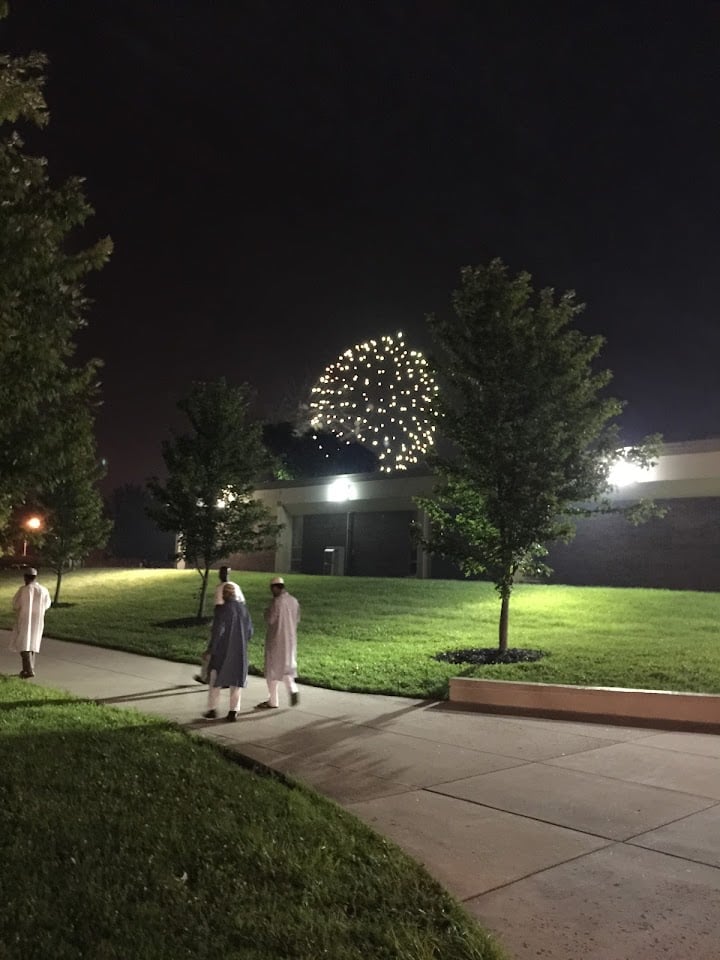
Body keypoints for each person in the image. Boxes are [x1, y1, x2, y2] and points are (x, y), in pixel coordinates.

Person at [202, 582, 253, 722]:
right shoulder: (244, 610)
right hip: (239, 651)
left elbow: (218, 631)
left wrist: (210, 649)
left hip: (222, 650)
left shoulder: (222, 610)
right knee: (236, 682)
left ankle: (212, 709)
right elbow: (250, 632)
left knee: (214, 679)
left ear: (224, 594)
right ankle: (233, 711)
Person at [255, 576, 301, 710]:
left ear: (275, 588)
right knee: (287, 668)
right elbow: (297, 619)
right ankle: (292, 689)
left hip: (276, 639)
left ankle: (273, 700)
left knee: (272, 670)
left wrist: (266, 612)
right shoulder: (294, 601)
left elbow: (270, 619)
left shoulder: (276, 602)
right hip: (291, 638)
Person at [194, 566, 245, 683]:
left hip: (223, 624)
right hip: (235, 624)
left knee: (212, 649)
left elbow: (218, 610)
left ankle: (205, 676)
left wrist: (215, 626)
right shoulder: (235, 587)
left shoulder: (220, 589)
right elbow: (242, 604)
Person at [9, 567, 52, 678]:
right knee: (32, 644)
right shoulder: (43, 590)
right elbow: (47, 604)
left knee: (23, 644)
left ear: (26, 577)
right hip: (37, 621)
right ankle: (28, 669)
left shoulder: (23, 590)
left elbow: (15, 604)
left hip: (24, 620)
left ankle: (29, 670)